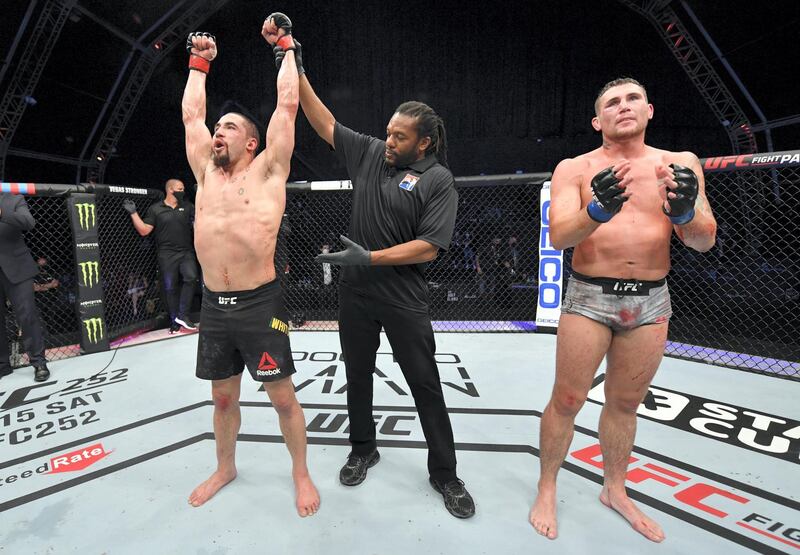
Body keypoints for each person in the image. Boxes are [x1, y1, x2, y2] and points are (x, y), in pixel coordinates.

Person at [288, 26, 475, 518]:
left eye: (399, 136)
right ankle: (363, 447)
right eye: (388, 132)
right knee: (357, 374)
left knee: (424, 383)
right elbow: (322, 119)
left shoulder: (438, 179)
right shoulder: (371, 153)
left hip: (402, 297)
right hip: (356, 294)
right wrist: (295, 62)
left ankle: (445, 474)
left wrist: (369, 258)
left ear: (425, 142)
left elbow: (429, 248)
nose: (388, 140)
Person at [529, 77, 717, 542]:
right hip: (589, 296)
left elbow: (703, 241)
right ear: (598, 121)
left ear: (649, 110)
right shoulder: (574, 167)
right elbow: (559, 237)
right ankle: (548, 485)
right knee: (568, 399)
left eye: (633, 98)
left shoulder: (679, 163)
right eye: (612, 102)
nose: (624, 107)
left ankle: (615, 489)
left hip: (650, 300)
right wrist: (595, 211)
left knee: (625, 403)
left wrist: (683, 212)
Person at [180, 14, 319, 517]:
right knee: (222, 399)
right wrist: (199, 65)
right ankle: (225, 467)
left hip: (262, 303)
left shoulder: (268, 171)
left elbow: (288, 104)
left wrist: (284, 46)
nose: (219, 133)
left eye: (230, 128)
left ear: (252, 142)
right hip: (215, 305)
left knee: (282, 399)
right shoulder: (203, 173)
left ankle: (300, 473)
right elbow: (191, 118)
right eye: (219, 128)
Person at [123, 179, 198, 333]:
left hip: (186, 251)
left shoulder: (188, 206)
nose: (183, 191)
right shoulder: (156, 209)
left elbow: (197, 224)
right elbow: (144, 230)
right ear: (170, 190)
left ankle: (183, 315)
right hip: (166, 254)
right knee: (170, 288)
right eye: (180, 188)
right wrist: (133, 213)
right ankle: (174, 321)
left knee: (191, 277)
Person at [0, 193, 50, 382]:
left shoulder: (13, 200)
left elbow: (29, 222)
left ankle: (39, 362)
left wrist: (2, 212)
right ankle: (2, 365)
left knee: (27, 315)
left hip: (17, 267)